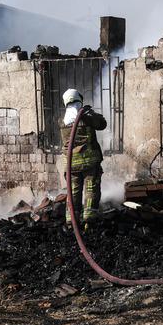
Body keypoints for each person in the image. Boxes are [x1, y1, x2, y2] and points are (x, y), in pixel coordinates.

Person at [59, 88, 107, 229]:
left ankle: (71, 221)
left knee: (73, 191)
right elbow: (102, 124)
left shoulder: (62, 121)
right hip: (89, 162)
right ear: (79, 100)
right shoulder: (86, 117)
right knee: (91, 188)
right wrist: (89, 112)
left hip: (71, 164)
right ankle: (89, 219)